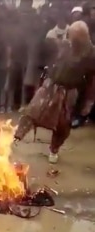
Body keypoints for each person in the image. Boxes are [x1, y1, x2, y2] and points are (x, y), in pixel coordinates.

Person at [14, 21, 95, 164]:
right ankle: (17, 136)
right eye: (71, 35)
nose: (72, 39)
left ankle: (54, 149)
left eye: (75, 36)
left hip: (69, 91)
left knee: (63, 124)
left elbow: (92, 80)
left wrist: (88, 102)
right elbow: (49, 56)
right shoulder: (64, 45)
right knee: (33, 111)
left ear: (83, 37)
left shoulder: (91, 54)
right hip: (50, 84)